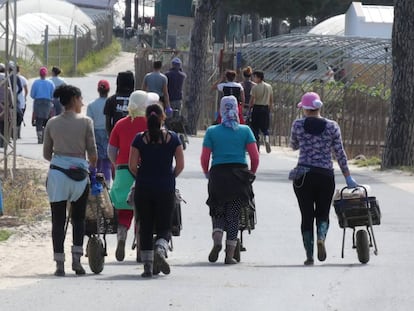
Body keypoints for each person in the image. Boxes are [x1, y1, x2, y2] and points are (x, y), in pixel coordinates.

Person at [289, 92, 358, 266]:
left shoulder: (298, 124)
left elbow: (293, 145)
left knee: (306, 215)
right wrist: (348, 176)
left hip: (303, 175)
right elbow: (339, 153)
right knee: (323, 214)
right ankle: (321, 236)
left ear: (304, 109)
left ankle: (309, 256)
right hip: (325, 175)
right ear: (319, 107)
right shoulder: (332, 126)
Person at [43, 84, 98, 276]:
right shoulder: (86, 122)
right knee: (78, 218)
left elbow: (46, 154)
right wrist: (86, 164)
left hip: (57, 175)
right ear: (74, 99)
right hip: (79, 177)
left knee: (57, 220)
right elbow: (93, 153)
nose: (82, 102)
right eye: (81, 98)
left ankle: (59, 263)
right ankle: (77, 261)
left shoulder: (52, 123)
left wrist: (62, 161)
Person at [201, 95, 259, 265]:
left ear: (220, 109)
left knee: (218, 211)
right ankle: (229, 255)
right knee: (234, 216)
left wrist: (207, 173)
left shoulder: (212, 131)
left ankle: (217, 241)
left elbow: (205, 157)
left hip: (218, 175)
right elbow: (255, 157)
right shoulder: (245, 131)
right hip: (239, 177)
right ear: (237, 109)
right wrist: (251, 175)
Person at [128, 103, 184, 278]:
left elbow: (131, 165)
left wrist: (144, 175)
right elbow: (180, 166)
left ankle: (147, 265)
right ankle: (160, 248)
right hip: (165, 188)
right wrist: (169, 176)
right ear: (163, 118)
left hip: (144, 187)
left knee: (144, 224)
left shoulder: (139, 139)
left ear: (146, 118)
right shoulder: (173, 138)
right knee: (164, 224)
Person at [107, 90, 159, 262]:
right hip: (145, 171)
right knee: (143, 211)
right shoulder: (150, 124)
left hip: (123, 170)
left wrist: (118, 165)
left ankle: (121, 238)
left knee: (124, 209)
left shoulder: (120, 124)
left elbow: (111, 151)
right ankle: (140, 247)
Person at [86, 80, 112, 187]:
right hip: (108, 132)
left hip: (95, 132)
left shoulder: (92, 105)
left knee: (95, 160)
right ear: (108, 90)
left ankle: (92, 182)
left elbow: (89, 121)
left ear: (98, 90)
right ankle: (107, 185)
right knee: (106, 162)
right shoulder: (111, 103)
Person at [103, 70, 135, 135]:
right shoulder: (137, 99)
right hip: (134, 137)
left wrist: (111, 137)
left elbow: (108, 123)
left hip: (117, 136)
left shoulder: (111, 100)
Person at [249, 70, 273, 153]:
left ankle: (257, 147)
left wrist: (249, 108)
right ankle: (266, 138)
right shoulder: (269, 86)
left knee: (255, 128)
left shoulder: (255, 87)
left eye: (254, 77)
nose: (254, 79)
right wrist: (269, 108)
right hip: (265, 108)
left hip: (257, 108)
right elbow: (271, 99)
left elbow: (252, 100)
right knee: (265, 128)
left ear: (258, 78)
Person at [30, 66, 55, 143]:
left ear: (39, 74)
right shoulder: (50, 83)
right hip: (48, 102)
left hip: (38, 101)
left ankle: (40, 137)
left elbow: (32, 95)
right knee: (47, 119)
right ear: (46, 74)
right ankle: (46, 137)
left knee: (39, 120)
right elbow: (53, 94)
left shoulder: (35, 82)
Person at [16, 65, 28, 139]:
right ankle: (18, 134)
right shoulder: (22, 78)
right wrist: (25, 97)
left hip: (12, 101)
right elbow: (26, 90)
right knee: (20, 118)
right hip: (21, 101)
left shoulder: (9, 78)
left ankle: (13, 133)